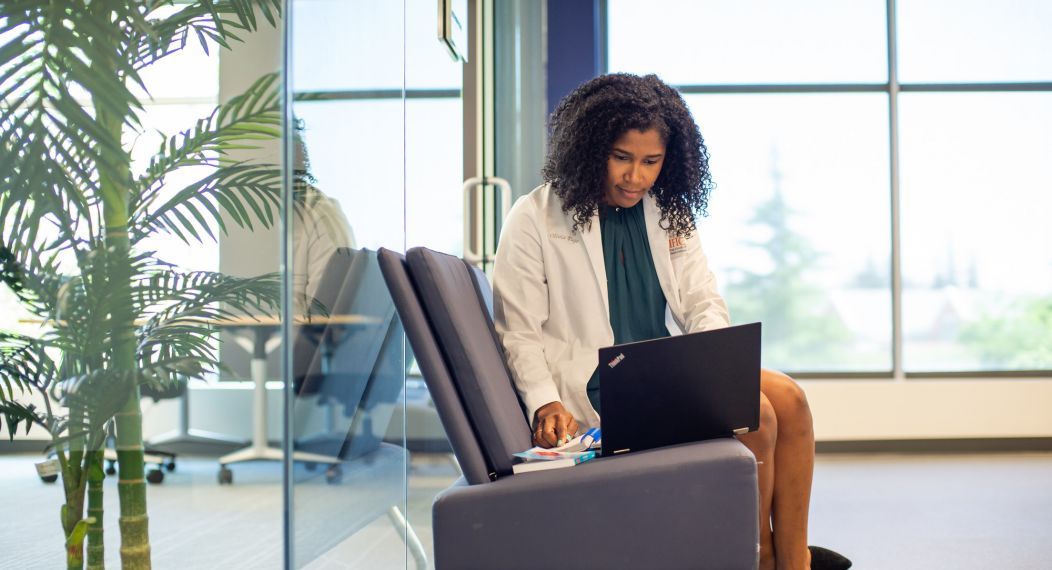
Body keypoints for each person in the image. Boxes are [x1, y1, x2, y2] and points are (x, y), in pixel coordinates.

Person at [491, 73, 850, 570]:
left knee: (790, 397)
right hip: (602, 387)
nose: (635, 177)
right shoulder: (533, 217)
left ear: (669, 160)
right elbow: (518, 328)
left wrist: (716, 366)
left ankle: (795, 560)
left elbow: (702, 300)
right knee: (761, 414)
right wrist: (544, 400)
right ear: (590, 147)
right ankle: (759, 556)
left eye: (650, 162)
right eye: (621, 157)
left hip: (665, 374)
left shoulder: (668, 212)